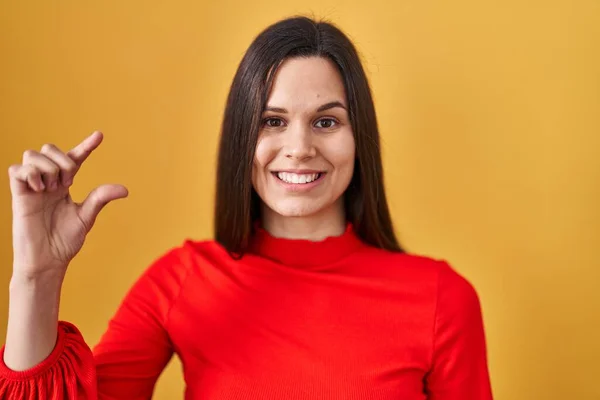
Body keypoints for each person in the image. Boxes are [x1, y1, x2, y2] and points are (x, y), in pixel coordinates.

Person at [0, 15, 493, 400]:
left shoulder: (441, 299)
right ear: (241, 137)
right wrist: (36, 277)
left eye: (326, 122)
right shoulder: (181, 282)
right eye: (272, 121)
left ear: (359, 137)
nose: (298, 147)